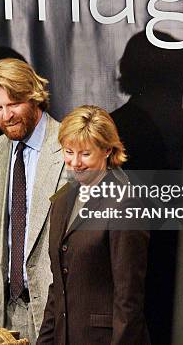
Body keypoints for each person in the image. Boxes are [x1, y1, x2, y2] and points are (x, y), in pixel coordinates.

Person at [37, 105, 150, 345]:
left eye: (85, 154)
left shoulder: (124, 202)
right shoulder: (62, 199)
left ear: (107, 149)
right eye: (69, 152)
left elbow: (128, 298)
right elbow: (57, 287)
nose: (75, 163)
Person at [0, 58, 65, 343]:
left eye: (13, 105)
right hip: (5, 312)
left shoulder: (71, 146)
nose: (6, 116)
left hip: (56, 311)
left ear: (34, 96)